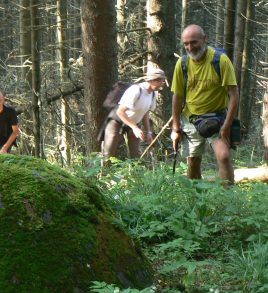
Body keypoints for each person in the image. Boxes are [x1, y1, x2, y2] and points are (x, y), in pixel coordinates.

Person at [171, 24, 239, 184]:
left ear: (205, 39)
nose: (190, 47)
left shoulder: (220, 61)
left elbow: (234, 95)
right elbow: (177, 97)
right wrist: (175, 128)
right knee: (193, 162)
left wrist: (227, 126)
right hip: (190, 120)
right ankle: (196, 199)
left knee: (223, 156)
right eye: (186, 43)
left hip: (217, 118)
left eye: (194, 42)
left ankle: (227, 200)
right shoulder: (182, 64)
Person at [102, 68, 166, 163]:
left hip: (133, 125)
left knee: (136, 155)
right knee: (108, 153)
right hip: (117, 122)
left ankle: (134, 175)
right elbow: (121, 112)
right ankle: (104, 175)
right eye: (162, 81)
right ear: (153, 80)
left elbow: (145, 112)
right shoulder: (136, 90)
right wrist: (135, 128)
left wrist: (148, 132)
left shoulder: (153, 94)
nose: (163, 83)